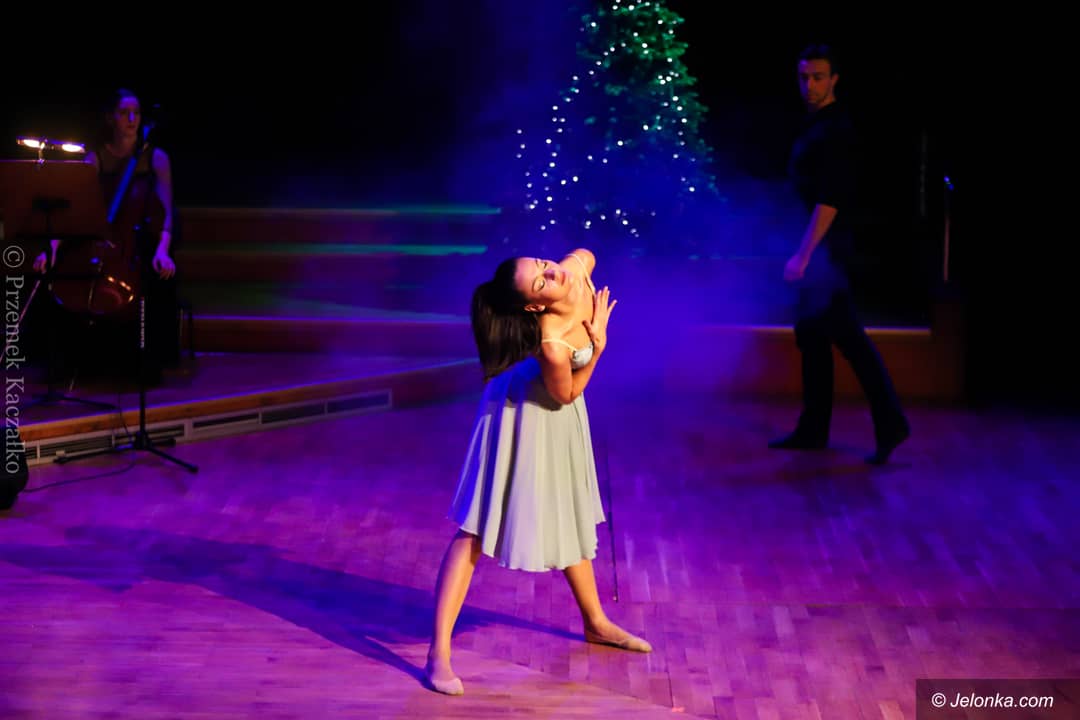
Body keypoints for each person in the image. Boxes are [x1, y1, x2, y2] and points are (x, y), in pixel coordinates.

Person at [425, 248, 650, 696]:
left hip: (560, 418)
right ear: (533, 307)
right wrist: (599, 347)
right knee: (478, 526)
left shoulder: (574, 269)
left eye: (543, 264)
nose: (553, 273)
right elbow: (568, 392)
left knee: (568, 511)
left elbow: (588, 254)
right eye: (541, 281)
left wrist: (577, 273)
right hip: (522, 414)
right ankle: (438, 654)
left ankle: (596, 622)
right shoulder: (551, 342)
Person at [768, 44, 910, 465]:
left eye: (818, 77)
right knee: (812, 338)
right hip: (816, 250)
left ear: (834, 80)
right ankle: (814, 427)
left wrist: (804, 255)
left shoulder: (837, 131)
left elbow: (830, 200)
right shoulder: (815, 126)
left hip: (826, 253)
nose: (809, 85)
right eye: (804, 77)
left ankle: (890, 422)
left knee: (849, 339)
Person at [33, 88, 180, 381]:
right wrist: (52, 248)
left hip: (141, 243)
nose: (132, 119)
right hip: (101, 240)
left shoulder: (157, 158)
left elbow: (166, 210)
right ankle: (78, 361)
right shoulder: (96, 158)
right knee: (64, 279)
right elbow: (75, 209)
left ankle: (144, 362)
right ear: (110, 118)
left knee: (157, 280)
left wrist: (163, 250)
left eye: (136, 113)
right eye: (124, 113)